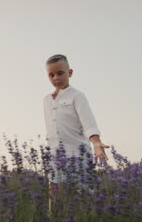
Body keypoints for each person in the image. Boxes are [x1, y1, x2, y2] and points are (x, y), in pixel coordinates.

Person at [43, 54, 109, 215]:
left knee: (86, 197)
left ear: (70, 72)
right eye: (51, 75)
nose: (56, 78)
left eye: (60, 73)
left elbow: (89, 123)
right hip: (55, 156)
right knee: (55, 195)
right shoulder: (46, 100)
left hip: (78, 155)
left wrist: (96, 142)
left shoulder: (77, 96)